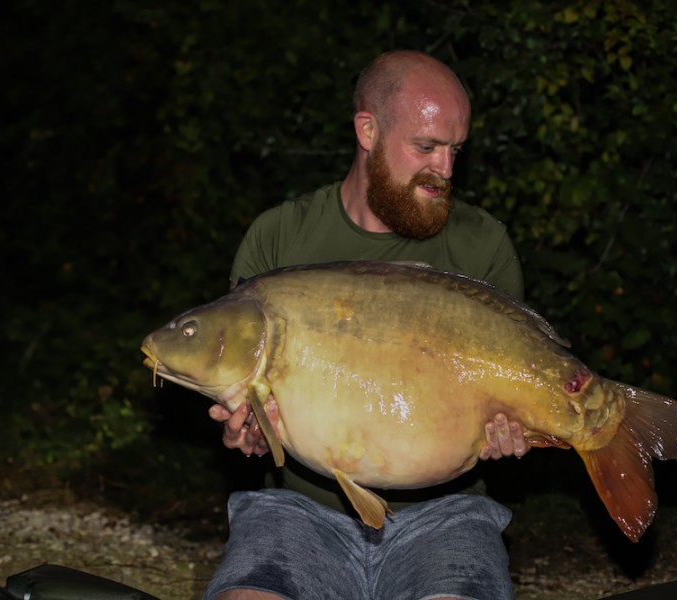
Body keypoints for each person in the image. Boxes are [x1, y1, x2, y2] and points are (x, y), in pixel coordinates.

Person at [204, 50, 530, 600]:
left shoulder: (483, 246)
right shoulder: (279, 238)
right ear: (368, 130)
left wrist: (514, 428)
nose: (445, 170)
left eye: (455, 150)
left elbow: (513, 391)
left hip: (446, 514)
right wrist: (251, 431)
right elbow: (254, 400)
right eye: (425, 147)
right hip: (299, 508)